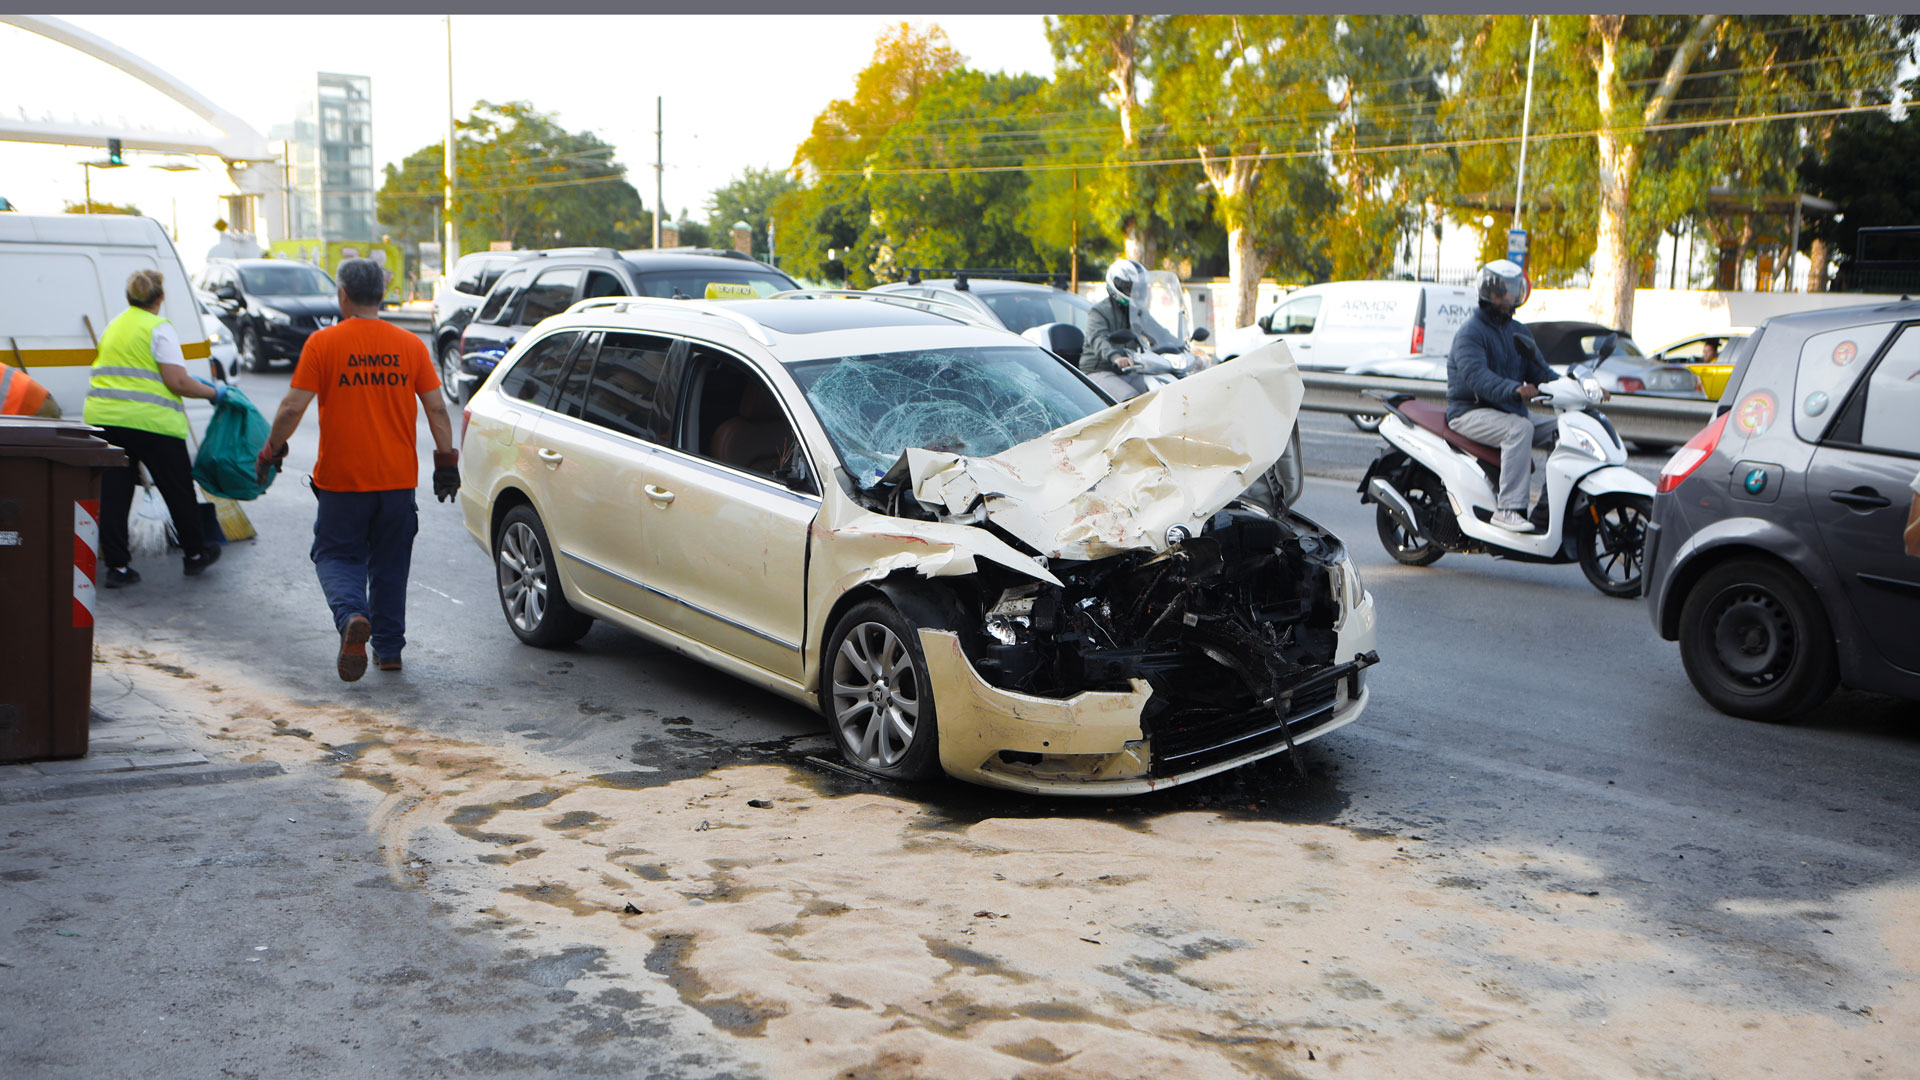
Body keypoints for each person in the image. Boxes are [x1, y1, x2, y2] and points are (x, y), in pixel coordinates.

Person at [254, 258, 459, 683]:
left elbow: (293, 406)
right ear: (380, 296)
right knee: (390, 564)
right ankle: (388, 651)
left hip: (342, 482)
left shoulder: (322, 344)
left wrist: (272, 450)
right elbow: (437, 407)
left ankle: (351, 617)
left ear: (343, 294)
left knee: (335, 554)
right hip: (398, 482)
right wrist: (446, 463)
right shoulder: (410, 345)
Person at [86, 269, 226, 586]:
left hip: (105, 421)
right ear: (160, 298)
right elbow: (177, 381)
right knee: (177, 489)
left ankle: (118, 568)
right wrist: (214, 392)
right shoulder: (159, 329)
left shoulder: (114, 327)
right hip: (152, 424)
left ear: (129, 297)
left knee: (114, 495)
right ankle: (194, 555)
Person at [1445, 259, 1559, 533]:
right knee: (1520, 429)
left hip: (1507, 410)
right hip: (1470, 412)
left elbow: (1541, 371)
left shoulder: (1519, 331)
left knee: (1564, 430)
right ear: (1487, 292)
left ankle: (1547, 510)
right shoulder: (1470, 333)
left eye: (1511, 291)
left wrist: (1577, 386)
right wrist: (1514, 390)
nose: (1507, 298)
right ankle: (1508, 509)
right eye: (1500, 292)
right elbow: (1477, 378)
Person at [1082, 258, 1179, 398]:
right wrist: (1116, 357)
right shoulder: (1099, 312)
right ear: (1116, 284)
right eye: (1130, 288)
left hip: (1129, 370)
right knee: (1131, 397)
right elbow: (1098, 339)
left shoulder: (1137, 311)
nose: (1135, 293)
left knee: (1158, 392)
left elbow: (1160, 333)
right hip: (1098, 371)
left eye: (1139, 289)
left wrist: (1181, 347)